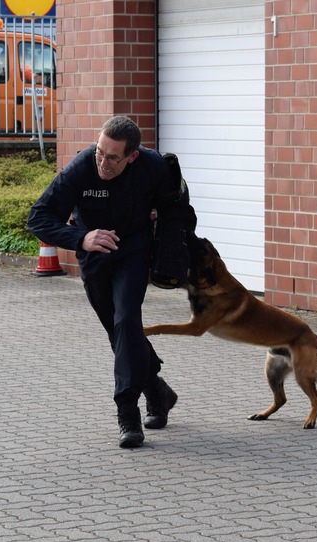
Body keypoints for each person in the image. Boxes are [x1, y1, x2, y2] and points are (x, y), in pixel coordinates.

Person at [28, 115, 197, 448]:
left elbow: (181, 210)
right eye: (100, 152)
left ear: (132, 155)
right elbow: (39, 217)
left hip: (133, 251)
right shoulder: (81, 167)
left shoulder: (153, 166)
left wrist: (163, 225)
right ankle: (158, 390)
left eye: (113, 157)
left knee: (126, 320)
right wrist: (81, 237)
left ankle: (128, 414)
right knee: (120, 331)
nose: (103, 162)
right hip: (94, 257)